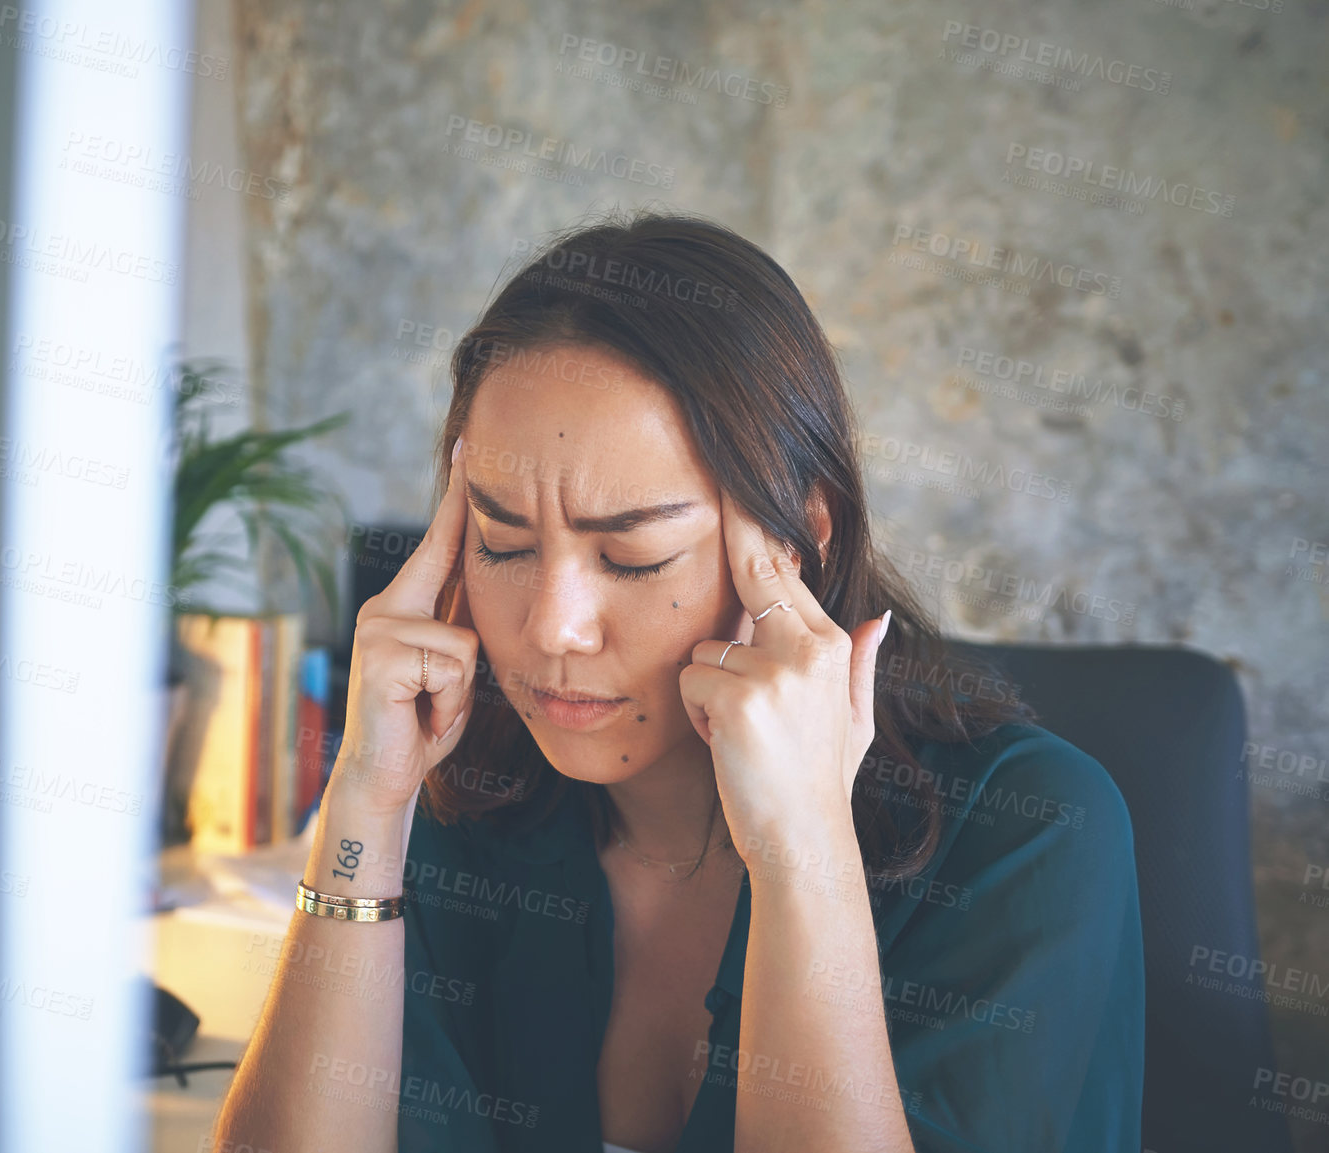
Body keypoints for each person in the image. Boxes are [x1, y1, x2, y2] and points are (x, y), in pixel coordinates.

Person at [210, 210, 1144, 1153]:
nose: (551, 628)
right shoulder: (469, 807)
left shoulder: (1030, 833)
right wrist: (363, 804)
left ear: (795, 544)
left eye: (634, 556)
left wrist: (801, 850)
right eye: (502, 543)